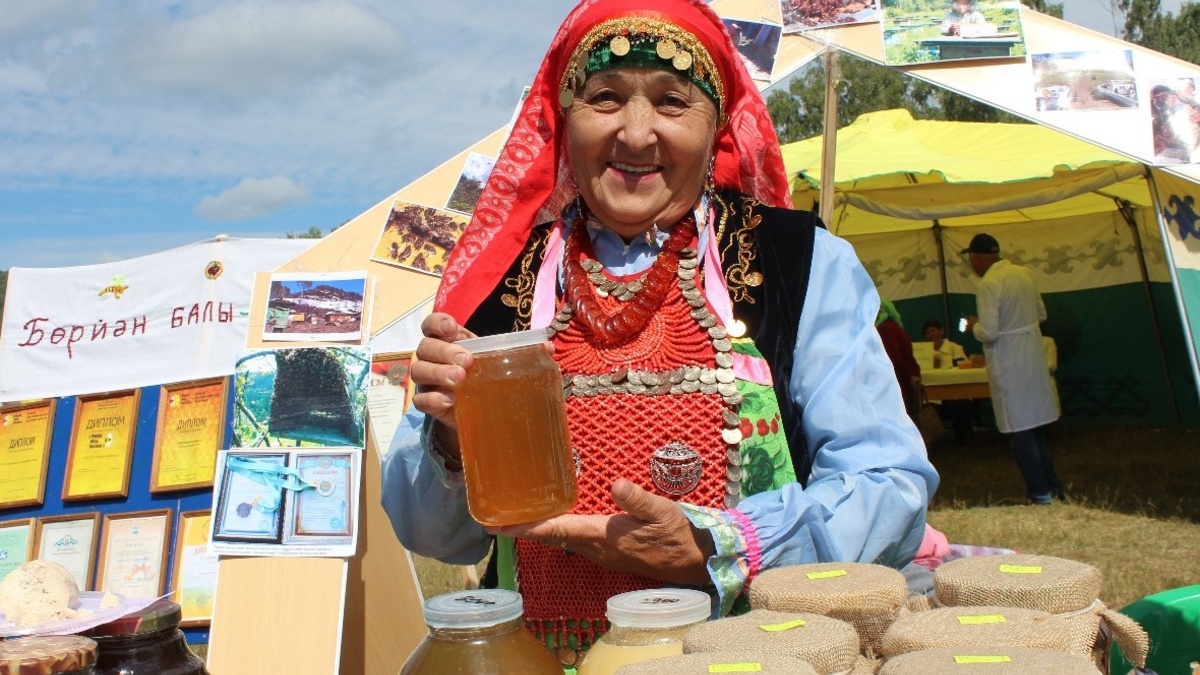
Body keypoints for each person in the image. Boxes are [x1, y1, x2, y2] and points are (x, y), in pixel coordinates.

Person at [382, 0, 938, 661]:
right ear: (566, 119)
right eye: (606, 98)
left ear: (716, 125)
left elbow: (890, 482)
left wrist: (715, 546)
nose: (637, 134)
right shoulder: (503, 283)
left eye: (672, 101)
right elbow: (434, 535)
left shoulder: (795, 263)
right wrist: (452, 438)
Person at [963, 233, 1062, 505]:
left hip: (1009, 361)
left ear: (978, 258)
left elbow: (989, 331)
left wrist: (973, 327)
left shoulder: (989, 283)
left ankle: (1039, 492)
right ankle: (1053, 486)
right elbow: (1041, 315)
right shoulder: (1024, 274)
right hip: (1032, 355)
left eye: (971, 259)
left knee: (1020, 429)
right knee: (1037, 425)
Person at [922, 318, 976, 444]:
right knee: (928, 408)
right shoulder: (923, 352)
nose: (931, 334)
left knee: (961, 405)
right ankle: (932, 443)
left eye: (933, 331)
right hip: (934, 396)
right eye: (928, 333)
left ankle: (961, 441)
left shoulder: (955, 348)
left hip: (957, 393)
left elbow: (963, 368)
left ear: (941, 331)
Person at [875, 300, 921, 415]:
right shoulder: (895, 326)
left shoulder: (885, 328)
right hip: (905, 384)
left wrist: (906, 378)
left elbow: (894, 359)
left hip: (899, 386)